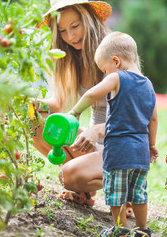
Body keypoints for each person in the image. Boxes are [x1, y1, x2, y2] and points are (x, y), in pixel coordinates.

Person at [68, 31, 158, 237]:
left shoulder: (117, 77)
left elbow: (92, 93)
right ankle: (143, 230)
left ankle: (121, 230)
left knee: (116, 193)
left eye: (104, 70)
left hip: (118, 151)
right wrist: (152, 145)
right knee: (139, 193)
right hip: (141, 152)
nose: (105, 75)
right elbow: (153, 120)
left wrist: (74, 112)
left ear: (116, 61)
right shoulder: (148, 84)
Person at [33, 0, 112, 206]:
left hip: (121, 144)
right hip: (94, 142)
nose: (70, 36)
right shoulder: (71, 58)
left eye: (75, 26)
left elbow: (135, 117)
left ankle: (128, 190)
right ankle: (82, 191)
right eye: (62, 31)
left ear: (88, 19)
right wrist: (27, 103)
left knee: (67, 175)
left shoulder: (113, 51)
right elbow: (57, 105)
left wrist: (97, 130)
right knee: (35, 120)